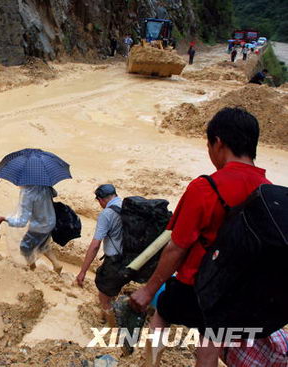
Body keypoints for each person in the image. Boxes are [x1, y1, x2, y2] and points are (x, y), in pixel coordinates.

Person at [130, 107, 272, 367]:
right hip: (237, 290)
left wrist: (149, 290)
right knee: (211, 340)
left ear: (218, 143)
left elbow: (177, 247)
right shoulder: (270, 193)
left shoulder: (206, 187)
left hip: (195, 282)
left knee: (162, 315)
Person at [76, 184, 123, 326]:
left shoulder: (106, 214)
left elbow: (95, 245)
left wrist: (83, 271)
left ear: (101, 200)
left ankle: (110, 326)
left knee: (103, 293)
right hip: (132, 257)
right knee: (113, 287)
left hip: (114, 260)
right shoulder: (127, 204)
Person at [0, 186, 62, 274]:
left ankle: (32, 268)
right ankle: (56, 264)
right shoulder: (45, 187)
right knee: (42, 244)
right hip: (50, 221)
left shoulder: (28, 193)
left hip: (38, 225)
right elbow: (55, 194)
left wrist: (4, 219)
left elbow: (22, 221)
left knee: (24, 247)